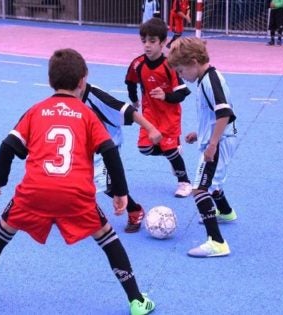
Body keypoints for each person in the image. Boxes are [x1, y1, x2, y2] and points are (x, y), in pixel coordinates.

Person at [0, 48, 155, 315]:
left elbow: (7, 147)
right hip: (75, 194)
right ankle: (137, 301)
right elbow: (109, 152)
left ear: (50, 81)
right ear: (83, 80)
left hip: (34, 193)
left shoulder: (36, 111)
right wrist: (121, 193)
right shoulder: (86, 114)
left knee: (1, 234)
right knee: (107, 238)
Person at [167, 37, 238, 257]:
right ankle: (225, 212)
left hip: (219, 142)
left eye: (181, 70)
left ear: (195, 61)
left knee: (199, 189)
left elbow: (224, 112)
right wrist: (200, 133)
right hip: (218, 137)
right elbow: (215, 114)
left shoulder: (210, 80)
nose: (181, 76)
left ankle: (216, 242)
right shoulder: (206, 78)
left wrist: (212, 144)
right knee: (212, 183)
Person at [125, 17, 193, 198]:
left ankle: (184, 182)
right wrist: (134, 100)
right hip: (149, 115)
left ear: (163, 43)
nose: (147, 45)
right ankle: (173, 155)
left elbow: (183, 93)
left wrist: (166, 96)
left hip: (169, 115)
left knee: (170, 149)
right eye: (144, 41)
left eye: (152, 41)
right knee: (144, 149)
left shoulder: (169, 65)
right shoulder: (137, 64)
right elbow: (130, 82)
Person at [82, 82, 162, 232]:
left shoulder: (96, 97)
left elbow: (127, 111)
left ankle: (134, 210)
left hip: (107, 143)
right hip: (83, 143)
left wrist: (150, 128)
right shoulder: (66, 94)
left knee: (105, 183)